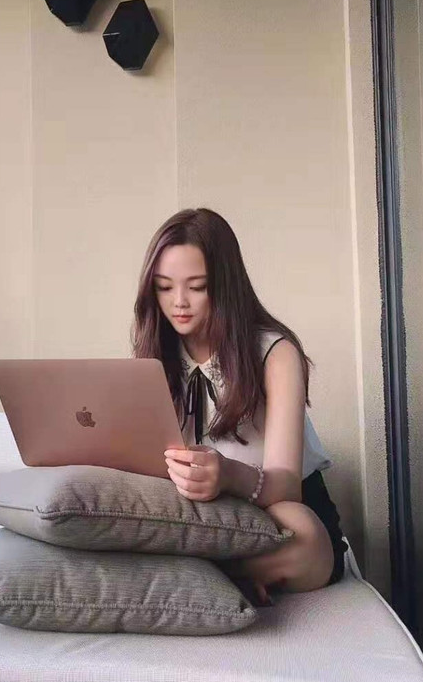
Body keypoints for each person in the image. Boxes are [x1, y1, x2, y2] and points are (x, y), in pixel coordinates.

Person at [131, 207, 347, 603]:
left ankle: (194, 579)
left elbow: (287, 487)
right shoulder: (155, 355)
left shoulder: (275, 353)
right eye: (164, 287)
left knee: (303, 533)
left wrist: (228, 475)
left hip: (280, 513)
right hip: (206, 521)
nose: (179, 302)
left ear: (225, 285)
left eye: (197, 287)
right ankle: (216, 580)